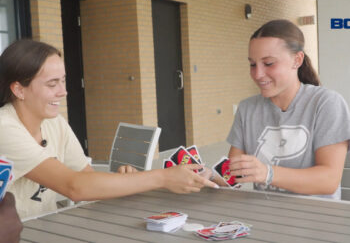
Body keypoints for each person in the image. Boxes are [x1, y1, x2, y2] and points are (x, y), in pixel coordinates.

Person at [0, 39, 218, 218]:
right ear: (19, 89)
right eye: (52, 84)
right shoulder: (4, 128)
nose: (63, 92)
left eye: (64, 81)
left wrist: (129, 181)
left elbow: (86, 178)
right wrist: (162, 177)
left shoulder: (54, 123)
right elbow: (75, 187)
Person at [226, 19, 350, 199]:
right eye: (252, 64)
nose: (258, 74)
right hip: (269, 217)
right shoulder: (247, 108)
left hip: (318, 220)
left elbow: (328, 181)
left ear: (297, 60)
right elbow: (232, 173)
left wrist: (268, 173)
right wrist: (206, 175)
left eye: (268, 63)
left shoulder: (327, 103)